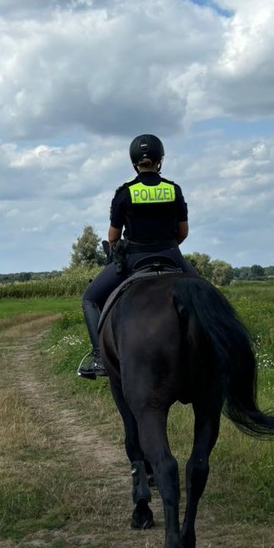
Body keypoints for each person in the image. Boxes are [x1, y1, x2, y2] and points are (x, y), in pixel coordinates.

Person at [78, 134, 197, 379]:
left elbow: (112, 238)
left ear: (134, 162)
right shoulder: (174, 190)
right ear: (160, 160)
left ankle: (100, 357)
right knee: (209, 295)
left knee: (89, 298)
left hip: (134, 258)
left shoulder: (125, 193)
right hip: (172, 256)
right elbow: (183, 232)